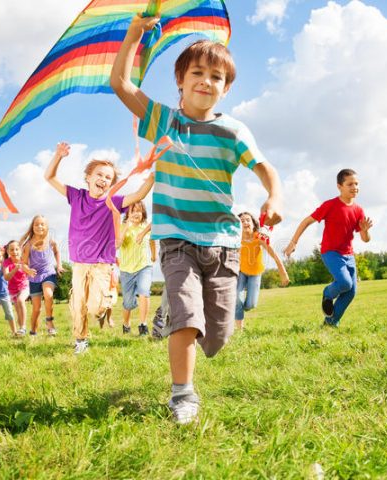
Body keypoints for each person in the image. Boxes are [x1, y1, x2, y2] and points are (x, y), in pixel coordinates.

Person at [111, 16, 283, 424]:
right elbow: (121, 84)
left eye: (216, 76)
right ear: (181, 81)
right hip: (176, 242)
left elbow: (265, 168)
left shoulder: (233, 131)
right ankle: (182, 395)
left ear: (227, 87)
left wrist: (274, 194)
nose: (206, 81)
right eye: (197, 73)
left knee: (218, 335)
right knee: (188, 319)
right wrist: (134, 36)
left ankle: (175, 313)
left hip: (222, 245)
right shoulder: (164, 121)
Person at [44, 141, 155, 354]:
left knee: (95, 307)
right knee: (78, 305)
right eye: (100, 175)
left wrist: (151, 178)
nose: (103, 179)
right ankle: (81, 340)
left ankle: (109, 296)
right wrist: (58, 156)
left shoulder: (112, 201)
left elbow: (138, 195)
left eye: (108, 178)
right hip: (79, 262)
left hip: (102, 263)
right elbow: (49, 177)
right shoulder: (76, 196)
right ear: (88, 177)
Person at [283, 169, 373, 327]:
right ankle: (327, 293)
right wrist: (293, 242)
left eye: (357, 184)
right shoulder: (330, 205)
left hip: (349, 255)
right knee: (345, 283)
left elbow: (365, 240)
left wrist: (365, 231)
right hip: (330, 252)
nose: (355, 187)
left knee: (351, 292)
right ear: (339, 186)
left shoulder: (358, 210)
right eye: (350, 184)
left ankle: (331, 322)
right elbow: (306, 221)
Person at [235, 212, 289, 330]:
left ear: (254, 224)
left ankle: (237, 308)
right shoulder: (236, 239)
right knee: (237, 299)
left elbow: (273, 254)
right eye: (242, 221)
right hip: (241, 272)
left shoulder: (259, 237)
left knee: (251, 305)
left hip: (256, 273)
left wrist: (283, 273)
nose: (244, 222)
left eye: (247, 220)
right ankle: (240, 328)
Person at [117, 201, 156, 336]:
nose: (136, 214)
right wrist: (126, 227)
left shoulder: (146, 227)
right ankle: (126, 324)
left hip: (144, 266)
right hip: (126, 269)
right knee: (128, 303)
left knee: (144, 292)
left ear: (143, 213)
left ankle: (143, 324)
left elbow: (152, 240)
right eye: (133, 211)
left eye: (139, 211)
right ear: (127, 213)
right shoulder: (121, 226)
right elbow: (117, 244)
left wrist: (154, 256)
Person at [20, 215, 63, 337]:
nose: (39, 226)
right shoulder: (28, 244)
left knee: (48, 294)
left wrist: (59, 265)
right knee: (36, 309)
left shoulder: (51, 241)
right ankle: (33, 331)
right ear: (32, 227)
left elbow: (56, 251)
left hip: (48, 273)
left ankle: (49, 322)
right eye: (36, 224)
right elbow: (23, 263)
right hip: (34, 277)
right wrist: (27, 270)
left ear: (47, 227)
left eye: (42, 224)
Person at [3, 240, 33, 336]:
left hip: (24, 286)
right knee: (18, 311)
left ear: (20, 250)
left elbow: (29, 272)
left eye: (17, 249)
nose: (14, 252)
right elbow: (6, 277)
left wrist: (28, 270)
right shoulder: (6, 263)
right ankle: (21, 331)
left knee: (21, 300)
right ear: (8, 252)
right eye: (12, 250)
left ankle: (23, 327)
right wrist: (15, 269)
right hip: (13, 290)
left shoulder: (23, 260)